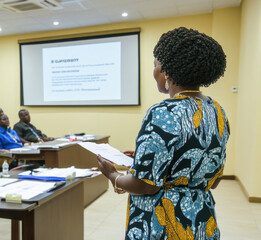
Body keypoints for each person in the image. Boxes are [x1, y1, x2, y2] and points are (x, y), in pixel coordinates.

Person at [97, 27, 229, 239]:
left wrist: (112, 175)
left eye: (155, 65)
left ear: (167, 71)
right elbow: (213, 179)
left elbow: (145, 185)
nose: (154, 71)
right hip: (202, 220)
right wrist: (141, 159)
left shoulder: (163, 112)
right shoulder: (217, 111)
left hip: (162, 222)